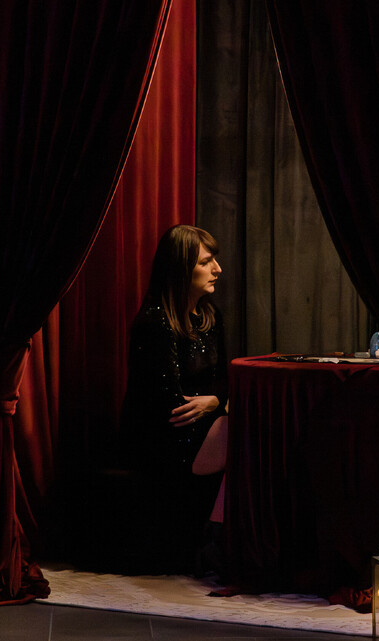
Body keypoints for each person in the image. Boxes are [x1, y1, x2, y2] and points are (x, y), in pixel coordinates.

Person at [120, 224, 229, 574]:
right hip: (162, 435)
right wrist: (218, 404)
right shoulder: (155, 323)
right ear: (182, 269)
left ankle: (219, 539)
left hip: (202, 425)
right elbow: (171, 403)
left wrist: (214, 402)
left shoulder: (210, 317)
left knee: (249, 428)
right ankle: (217, 543)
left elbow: (226, 384)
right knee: (243, 431)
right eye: (206, 262)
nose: (218, 269)